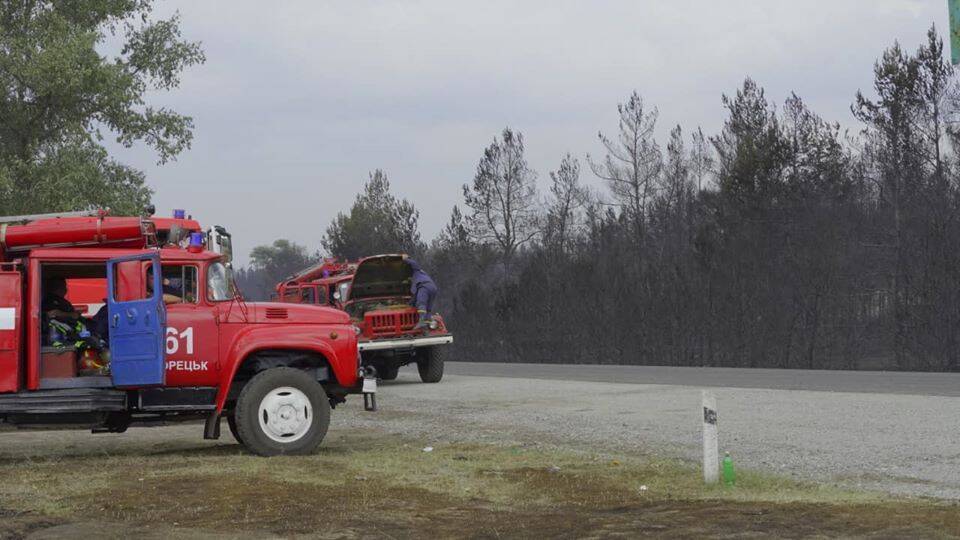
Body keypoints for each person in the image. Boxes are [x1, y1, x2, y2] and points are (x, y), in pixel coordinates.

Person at [404, 256, 437, 332]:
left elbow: (414, 264)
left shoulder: (416, 271)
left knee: (421, 303)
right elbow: (415, 296)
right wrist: (410, 303)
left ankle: (421, 321)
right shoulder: (422, 274)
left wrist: (405, 259)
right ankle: (427, 324)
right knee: (428, 308)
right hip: (433, 287)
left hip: (424, 286)